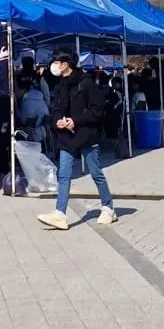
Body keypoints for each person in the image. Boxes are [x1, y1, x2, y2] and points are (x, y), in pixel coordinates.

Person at [37, 48, 117, 230]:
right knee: (64, 175)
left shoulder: (86, 83)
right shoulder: (61, 85)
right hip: (67, 137)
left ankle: (108, 207)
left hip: (86, 135)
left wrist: (76, 120)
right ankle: (60, 213)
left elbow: (98, 111)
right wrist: (58, 121)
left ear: (65, 65)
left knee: (96, 172)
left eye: (56, 62)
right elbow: (58, 107)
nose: (53, 66)